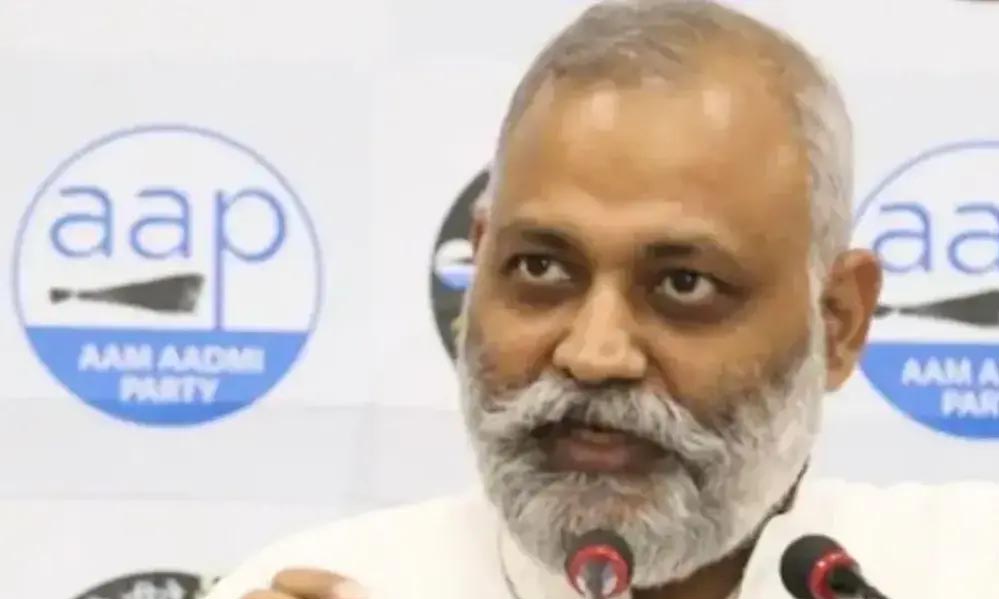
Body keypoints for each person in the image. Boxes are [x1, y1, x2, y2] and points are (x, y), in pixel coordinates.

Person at [207, 1, 999, 598]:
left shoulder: (965, 565)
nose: (592, 354)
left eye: (683, 284)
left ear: (838, 322)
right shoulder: (322, 580)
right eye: (540, 269)